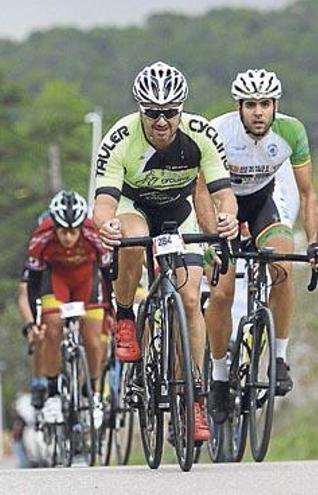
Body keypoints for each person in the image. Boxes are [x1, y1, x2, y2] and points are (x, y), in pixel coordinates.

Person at [92, 61, 239, 442]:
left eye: (170, 112)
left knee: (190, 300)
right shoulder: (121, 137)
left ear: (181, 110)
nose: (161, 121)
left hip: (178, 211)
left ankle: (193, 400)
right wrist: (105, 225)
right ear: (141, 110)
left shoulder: (200, 134)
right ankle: (125, 314)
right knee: (135, 238)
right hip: (133, 206)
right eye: (152, 113)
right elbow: (104, 202)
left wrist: (225, 220)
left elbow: (223, 194)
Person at [196, 69, 318, 423]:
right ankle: (221, 377)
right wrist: (213, 238)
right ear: (238, 107)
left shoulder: (291, 131)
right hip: (222, 205)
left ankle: (279, 359)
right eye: (251, 104)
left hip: (263, 204)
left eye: (265, 105)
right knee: (222, 293)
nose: (258, 112)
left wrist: (314, 243)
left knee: (284, 267)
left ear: (276, 106)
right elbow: (200, 190)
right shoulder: (218, 133)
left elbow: (307, 193)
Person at [17, 190, 110, 423]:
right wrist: (32, 324)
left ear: (81, 227)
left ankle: (92, 394)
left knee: (93, 340)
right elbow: (28, 286)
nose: (68, 237)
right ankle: (53, 394)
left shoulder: (93, 233)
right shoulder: (42, 237)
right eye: (63, 231)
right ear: (54, 226)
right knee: (52, 329)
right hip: (56, 280)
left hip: (86, 279)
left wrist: (114, 310)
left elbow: (109, 273)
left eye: (73, 231)